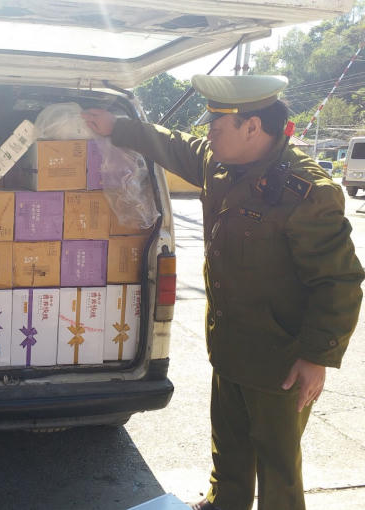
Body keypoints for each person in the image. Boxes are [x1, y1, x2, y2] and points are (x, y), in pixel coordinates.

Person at [82, 74, 364, 510]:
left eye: (216, 127)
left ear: (252, 127)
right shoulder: (220, 163)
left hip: (280, 358)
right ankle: (224, 503)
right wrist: (117, 126)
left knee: (277, 464)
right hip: (231, 344)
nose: (209, 135)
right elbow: (174, 145)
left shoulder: (306, 193)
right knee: (229, 445)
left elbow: (338, 281)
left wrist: (316, 357)